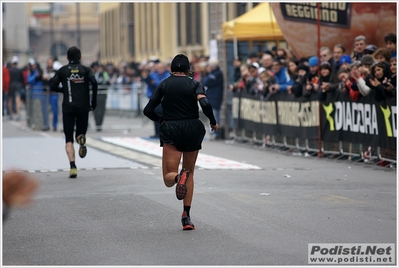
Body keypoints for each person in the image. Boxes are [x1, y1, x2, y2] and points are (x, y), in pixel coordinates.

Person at [143, 54, 219, 230]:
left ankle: (179, 177)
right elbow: (205, 103)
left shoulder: (164, 84)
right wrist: (213, 121)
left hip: (172, 128)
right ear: (188, 70)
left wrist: (162, 120)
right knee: (190, 171)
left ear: (172, 69)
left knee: (169, 177)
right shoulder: (195, 84)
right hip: (193, 127)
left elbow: (148, 110)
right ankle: (186, 216)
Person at [50, 46, 98, 178]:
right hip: (83, 106)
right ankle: (81, 140)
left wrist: (64, 90)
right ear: (80, 57)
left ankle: (72, 166)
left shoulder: (63, 70)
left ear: (67, 57)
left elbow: (52, 86)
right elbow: (94, 82)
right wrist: (93, 101)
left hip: (68, 107)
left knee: (68, 138)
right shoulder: (86, 70)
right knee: (81, 132)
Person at [142, 61, 171, 138]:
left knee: (163, 116)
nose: (159, 70)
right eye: (158, 68)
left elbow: (160, 84)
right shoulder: (153, 74)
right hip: (153, 98)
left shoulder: (167, 75)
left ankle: (163, 133)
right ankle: (157, 132)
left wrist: (154, 83)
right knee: (154, 115)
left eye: (161, 68)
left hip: (163, 99)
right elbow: (150, 83)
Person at [202, 58, 224, 140]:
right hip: (211, 97)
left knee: (215, 116)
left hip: (216, 97)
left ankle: (216, 132)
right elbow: (203, 80)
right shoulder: (211, 73)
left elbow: (207, 81)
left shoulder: (217, 74)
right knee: (211, 115)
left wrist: (208, 73)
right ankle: (213, 132)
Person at [28, 59, 49, 130]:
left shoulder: (40, 72)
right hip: (34, 94)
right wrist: (35, 76)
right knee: (35, 111)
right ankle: (36, 124)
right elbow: (29, 80)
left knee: (42, 111)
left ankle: (43, 124)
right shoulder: (32, 73)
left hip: (41, 94)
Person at [91, 61, 109, 131]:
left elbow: (107, 83)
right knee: (95, 110)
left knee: (102, 110)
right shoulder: (91, 74)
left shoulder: (103, 74)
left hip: (102, 94)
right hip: (94, 95)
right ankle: (97, 124)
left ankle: (100, 124)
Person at [8, 56, 25, 121]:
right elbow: (22, 79)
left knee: (10, 100)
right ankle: (18, 113)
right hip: (18, 85)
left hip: (11, 85)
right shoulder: (19, 70)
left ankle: (11, 114)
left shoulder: (10, 70)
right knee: (18, 100)